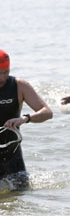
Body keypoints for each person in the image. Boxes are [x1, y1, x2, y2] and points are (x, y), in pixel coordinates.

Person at [0, 49, 53, 190]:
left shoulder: (19, 86)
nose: (2, 78)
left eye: (5, 72)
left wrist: (25, 118)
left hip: (13, 154)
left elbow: (47, 112)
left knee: (20, 199)